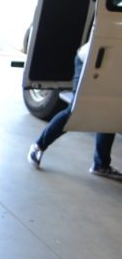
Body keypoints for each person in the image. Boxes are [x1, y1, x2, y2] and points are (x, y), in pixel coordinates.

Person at [27, 42, 121, 180]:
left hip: (112, 66)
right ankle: (38, 147)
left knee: (108, 111)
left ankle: (101, 165)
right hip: (90, 60)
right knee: (75, 110)